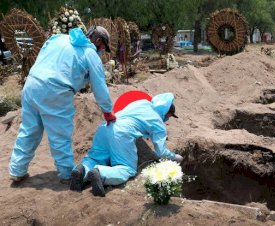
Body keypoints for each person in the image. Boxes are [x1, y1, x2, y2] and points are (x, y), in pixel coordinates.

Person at [9, 26, 117, 184]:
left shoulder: (59, 38)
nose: (101, 51)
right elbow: (99, 87)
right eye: (102, 48)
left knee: (29, 130)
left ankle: (17, 170)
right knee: (60, 135)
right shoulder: (90, 54)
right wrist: (108, 111)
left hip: (31, 85)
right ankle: (67, 173)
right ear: (98, 40)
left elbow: (43, 56)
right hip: (55, 92)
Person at [70, 92, 183, 197]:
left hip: (106, 126)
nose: (167, 118)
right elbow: (161, 152)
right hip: (121, 133)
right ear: (167, 111)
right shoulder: (158, 123)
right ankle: (100, 173)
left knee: (95, 158)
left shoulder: (142, 103)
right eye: (169, 115)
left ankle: (82, 170)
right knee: (127, 168)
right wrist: (174, 156)